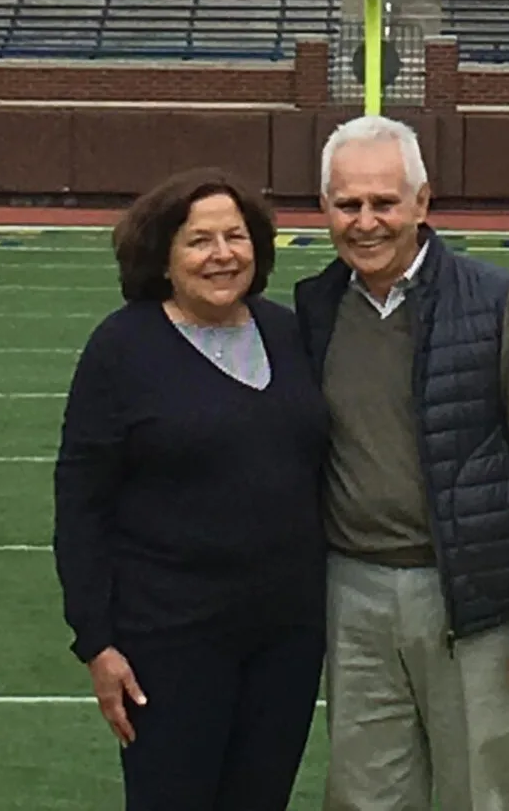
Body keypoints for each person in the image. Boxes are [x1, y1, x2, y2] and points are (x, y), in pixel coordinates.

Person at [294, 116, 509, 811]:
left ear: (422, 203)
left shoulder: (498, 304)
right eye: (347, 204)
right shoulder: (316, 305)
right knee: (363, 794)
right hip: (351, 590)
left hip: (469, 595)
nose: (365, 222)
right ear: (324, 208)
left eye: (384, 202)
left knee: (479, 793)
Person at [53, 167, 329, 811]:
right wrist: (96, 640)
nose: (222, 253)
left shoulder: (289, 333)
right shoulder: (122, 348)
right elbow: (81, 501)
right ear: (164, 255)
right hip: (171, 639)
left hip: (285, 637)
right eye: (199, 240)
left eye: (235, 236)